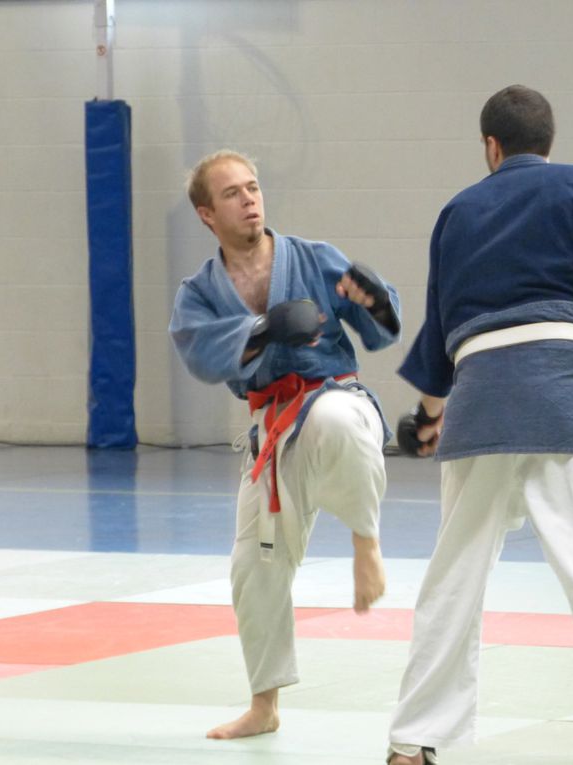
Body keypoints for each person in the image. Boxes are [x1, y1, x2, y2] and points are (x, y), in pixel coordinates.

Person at [385, 85, 573, 765]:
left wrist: (430, 418)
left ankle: (413, 742)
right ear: (548, 141)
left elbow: (439, 333)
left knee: (453, 581)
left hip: (477, 395)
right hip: (563, 387)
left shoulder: (457, 211)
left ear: (490, 147)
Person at [168, 149, 402, 739]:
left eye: (253, 187)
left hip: (338, 398)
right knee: (253, 568)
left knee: (334, 420)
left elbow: (379, 329)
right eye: (232, 194)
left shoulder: (313, 259)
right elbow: (198, 351)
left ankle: (366, 542)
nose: (249, 199)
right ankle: (264, 705)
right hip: (273, 428)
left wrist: (376, 301)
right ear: (206, 214)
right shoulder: (198, 293)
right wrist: (263, 330)